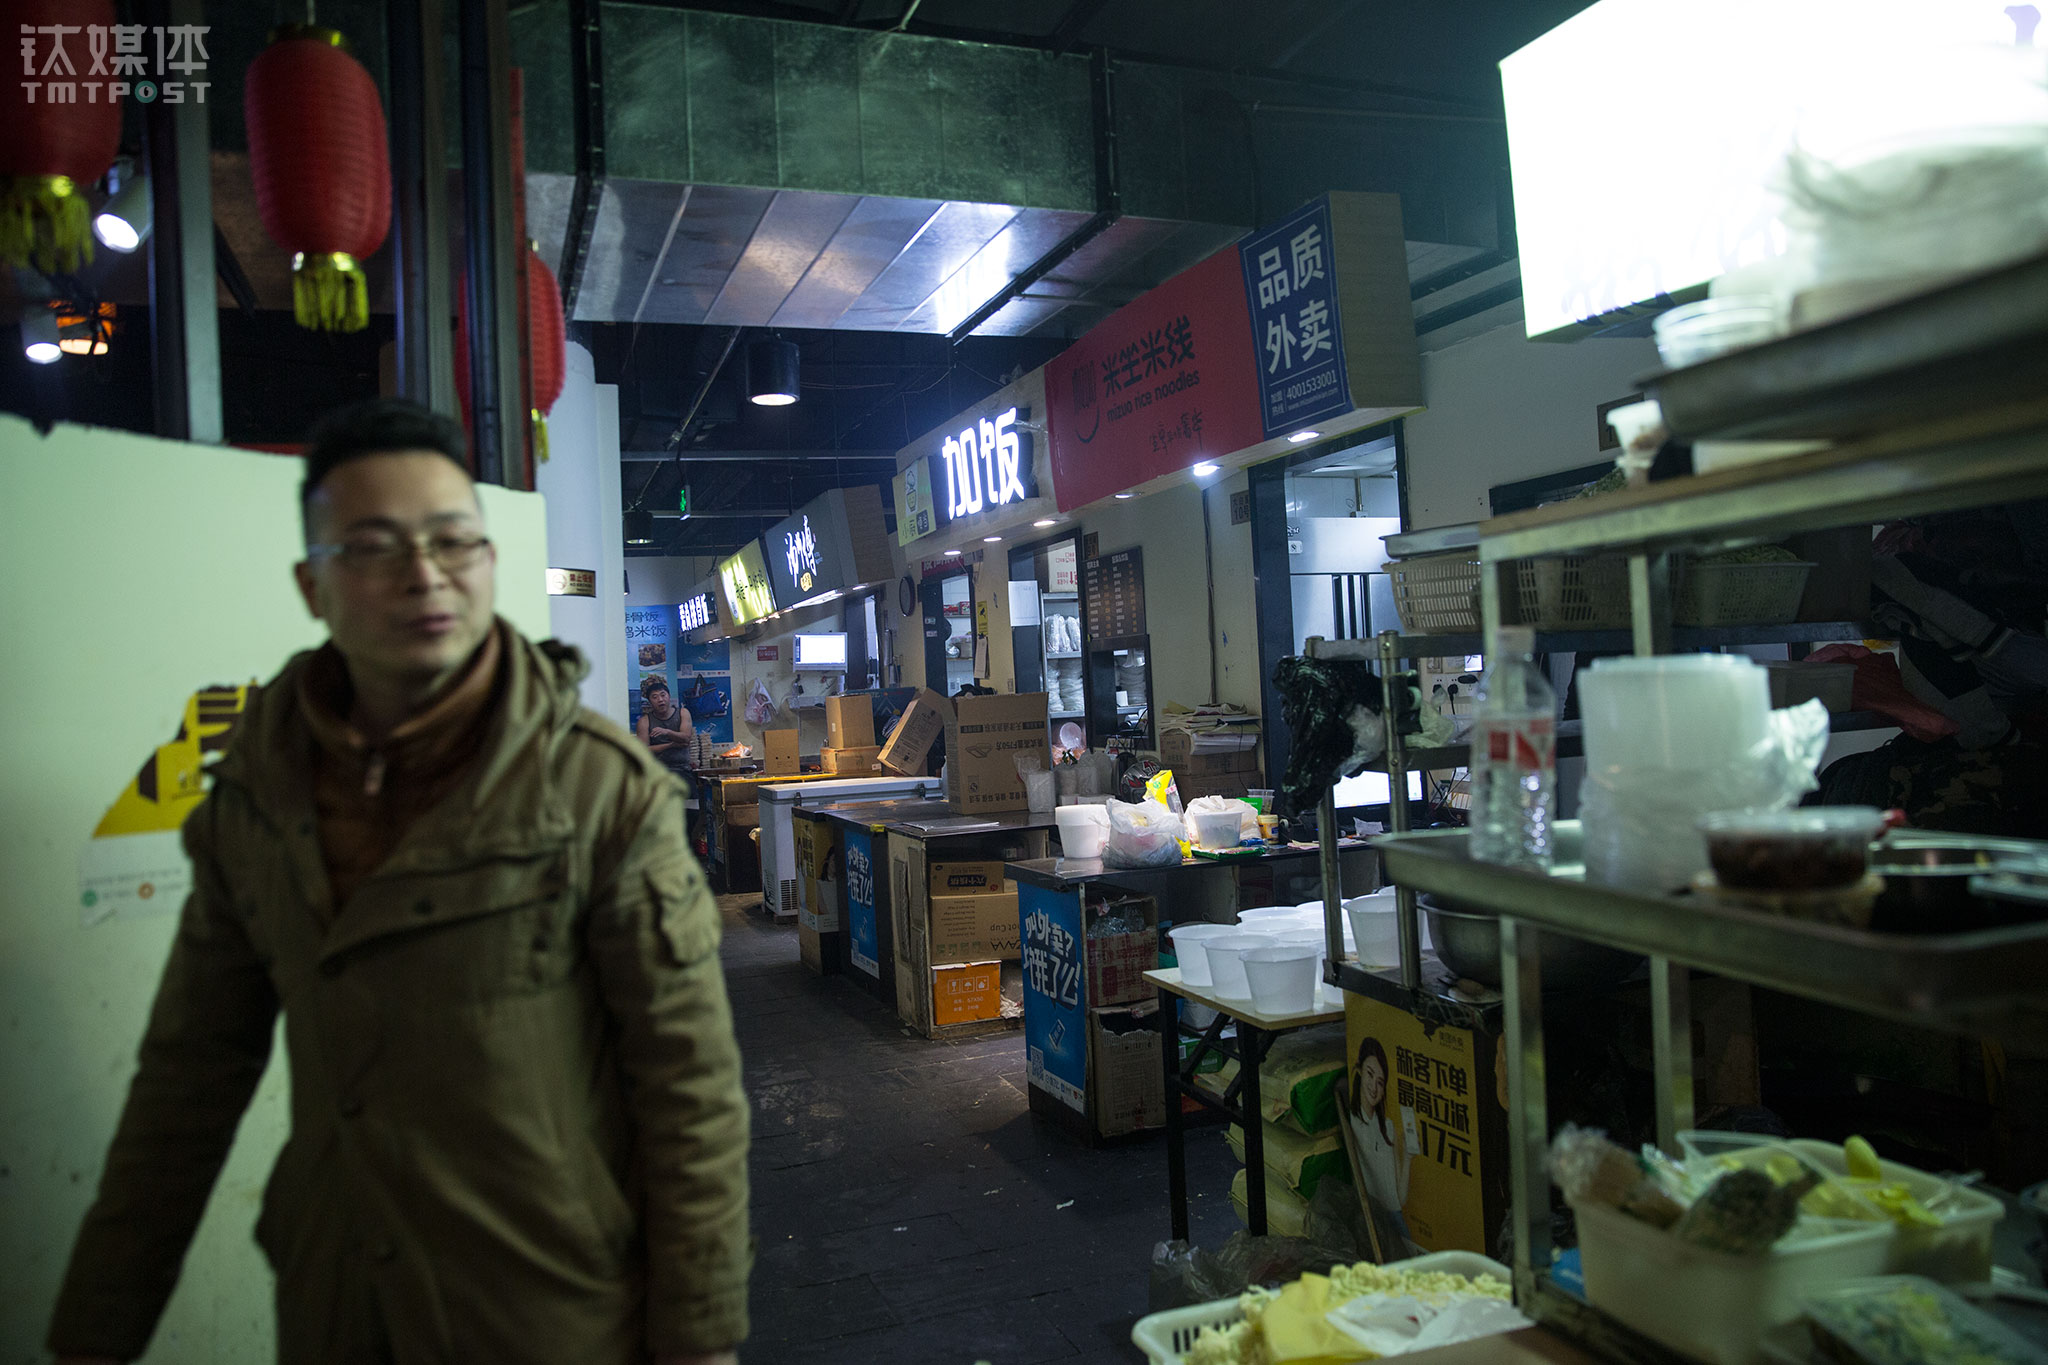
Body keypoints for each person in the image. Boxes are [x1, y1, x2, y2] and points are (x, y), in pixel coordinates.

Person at [47, 398, 751, 1365]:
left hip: (548, 1315)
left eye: (454, 540)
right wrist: (93, 1333)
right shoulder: (258, 797)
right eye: (374, 546)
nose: (426, 574)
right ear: (311, 584)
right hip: (338, 1305)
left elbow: (690, 1089)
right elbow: (187, 1082)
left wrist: (701, 1341)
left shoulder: (593, 787)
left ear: (489, 561)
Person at [1347, 1035, 1420, 1259]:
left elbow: (1399, 1197)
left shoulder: (1388, 1128)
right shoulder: (1352, 1121)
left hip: (1395, 1219)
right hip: (1368, 1216)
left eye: (1380, 1081)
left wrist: (1407, 1158)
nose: (1374, 1086)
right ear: (1358, 1071)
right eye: (1370, 1074)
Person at [637, 677, 695, 775]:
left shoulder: (683, 713)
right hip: (656, 773)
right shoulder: (644, 721)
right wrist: (671, 745)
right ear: (650, 702)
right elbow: (643, 751)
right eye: (654, 697)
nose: (660, 700)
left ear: (669, 696)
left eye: (663, 695)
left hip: (683, 770)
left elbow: (686, 738)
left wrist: (667, 732)